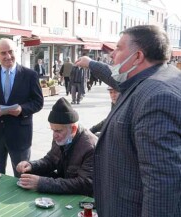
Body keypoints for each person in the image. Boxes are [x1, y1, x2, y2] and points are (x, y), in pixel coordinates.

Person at [75, 25, 181, 216]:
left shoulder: (156, 97)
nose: (112, 54)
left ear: (138, 57)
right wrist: (90, 63)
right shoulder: (158, 75)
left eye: (118, 48)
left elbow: (162, 181)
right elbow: (116, 79)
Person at [0, 38, 43, 177]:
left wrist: (22, 109)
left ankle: (20, 200)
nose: (8, 56)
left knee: (22, 176)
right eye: (3, 53)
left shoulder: (30, 75)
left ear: (16, 51)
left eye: (10, 52)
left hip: (20, 136)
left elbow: (38, 102)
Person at [16, 97, 97, 196]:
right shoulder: (62, 137)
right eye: (53, 130)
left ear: (73, 129)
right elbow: (50, 160)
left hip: (83, 199)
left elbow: (84, 184)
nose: (54, 135)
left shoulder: (90, 147)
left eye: (58, 131)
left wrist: (42, 183)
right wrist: (32, 166)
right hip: (65, 192)